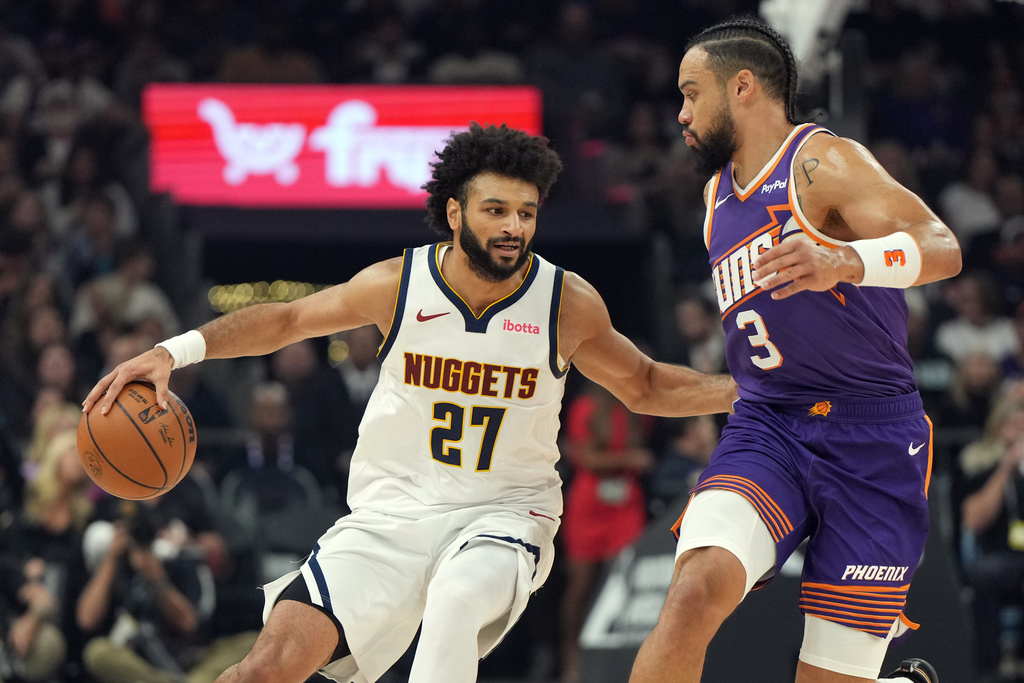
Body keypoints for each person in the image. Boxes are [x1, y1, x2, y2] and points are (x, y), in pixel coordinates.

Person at [82, 122, 737, 683]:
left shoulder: (564, 302)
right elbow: (284, 320)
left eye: (527, 212)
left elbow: (646, 384)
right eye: (495, 210)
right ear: (455, 213)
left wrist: (746, 389)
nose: (514, 227)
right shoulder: (400, 285)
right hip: (389, 515)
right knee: (265, 667)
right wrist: (174, 350)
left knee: (455, 597)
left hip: (505, 515)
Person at [628, 17, 962, 683]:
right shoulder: (713, 194)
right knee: (693, 592)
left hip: (871, 436)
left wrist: (843, 259)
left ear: (743, 86)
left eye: (693, 93)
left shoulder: (824, 161)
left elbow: (943, 248)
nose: (682, 113)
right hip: (769, 424)